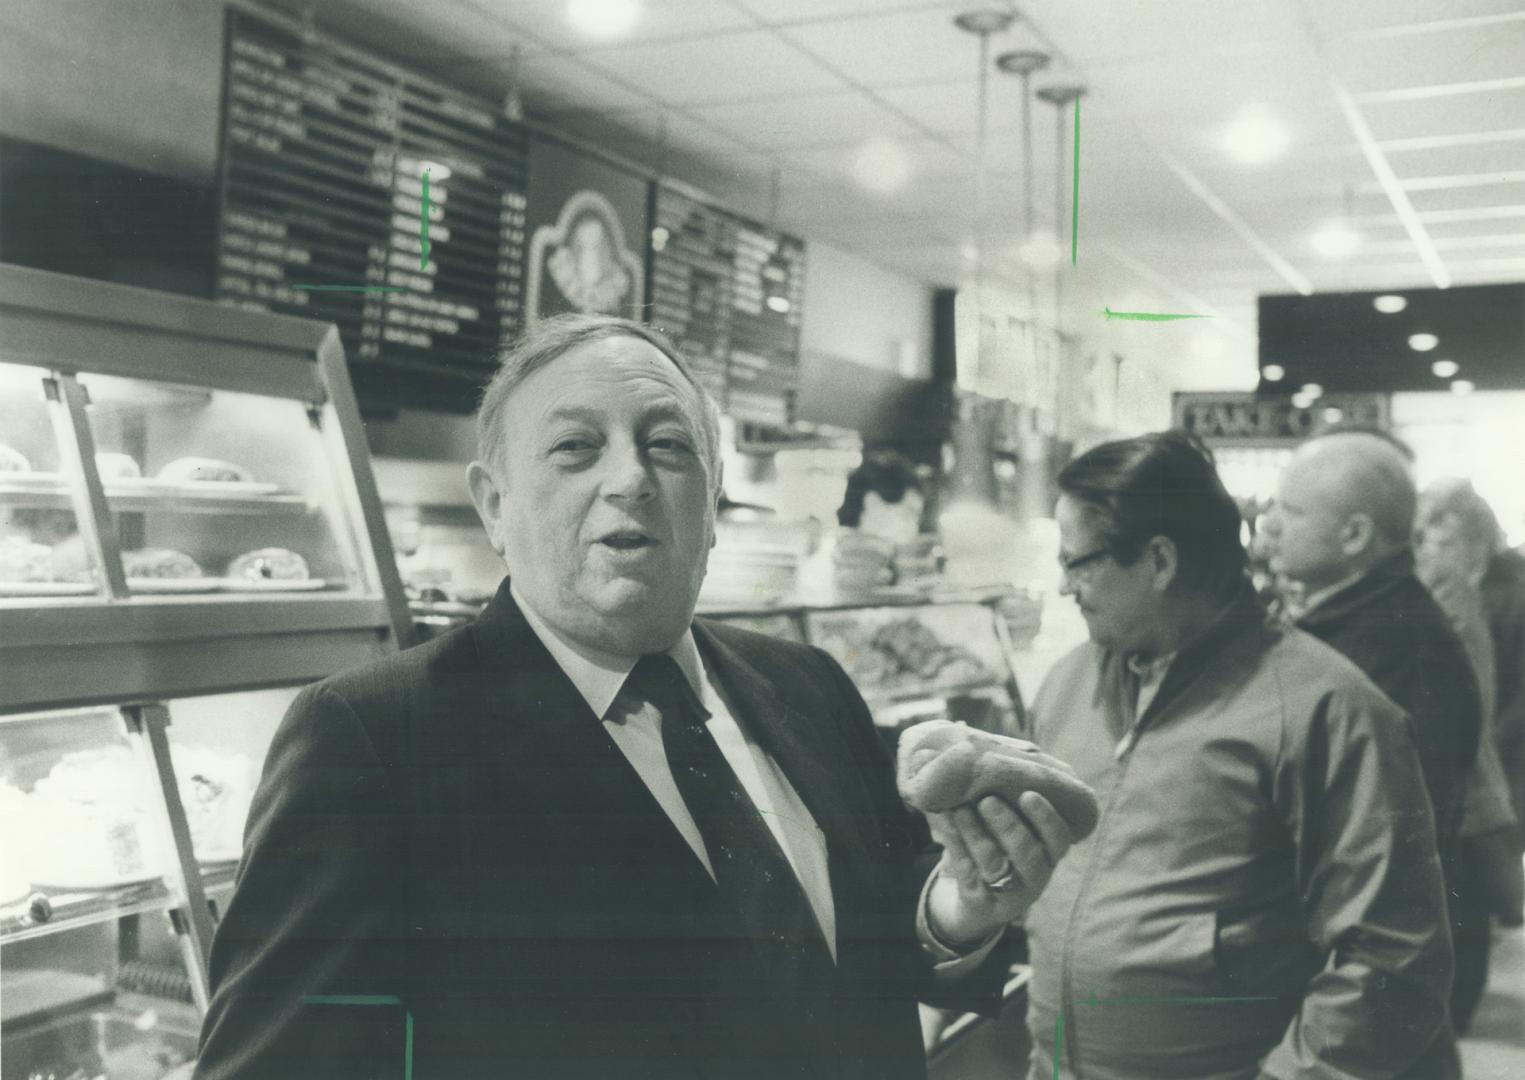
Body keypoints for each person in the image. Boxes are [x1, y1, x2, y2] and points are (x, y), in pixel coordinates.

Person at [193, 314, 1072, 1080]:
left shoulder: (806, 683)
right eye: (576, 448)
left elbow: (863, 944)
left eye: (667, 445)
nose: (631, 479)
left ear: (713, 505)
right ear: (494, 506)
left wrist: (958, 908)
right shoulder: (374, 741)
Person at [1024, 430, 1453, 1080]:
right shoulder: (1065, 685)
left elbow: (1391, 956)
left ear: (1159, 561)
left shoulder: (1326, 708)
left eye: (1077, 562)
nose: (1062, 587)